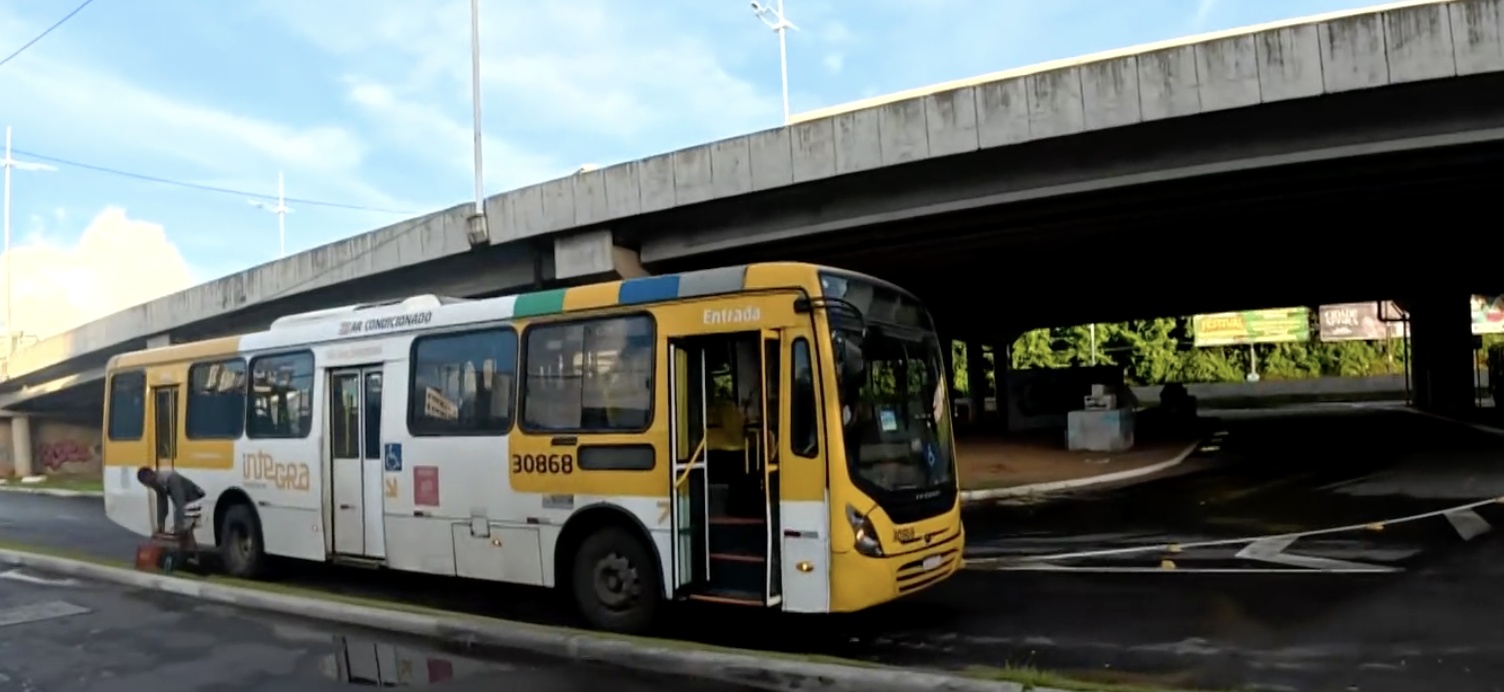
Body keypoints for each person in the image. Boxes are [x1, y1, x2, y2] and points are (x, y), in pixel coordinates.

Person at [136, 467, 206, 550]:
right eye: (147, 485)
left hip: (195, 500)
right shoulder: (156, 483)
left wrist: (179, 525)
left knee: (186, 530)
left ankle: (192, 554)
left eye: (149, 483)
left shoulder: (172, 479)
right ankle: (190, 554)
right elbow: (162, 504)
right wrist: (161, 525)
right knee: (185, 531)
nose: (150, 486)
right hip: (187, 502)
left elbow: (180, 503)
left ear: (152, 475)